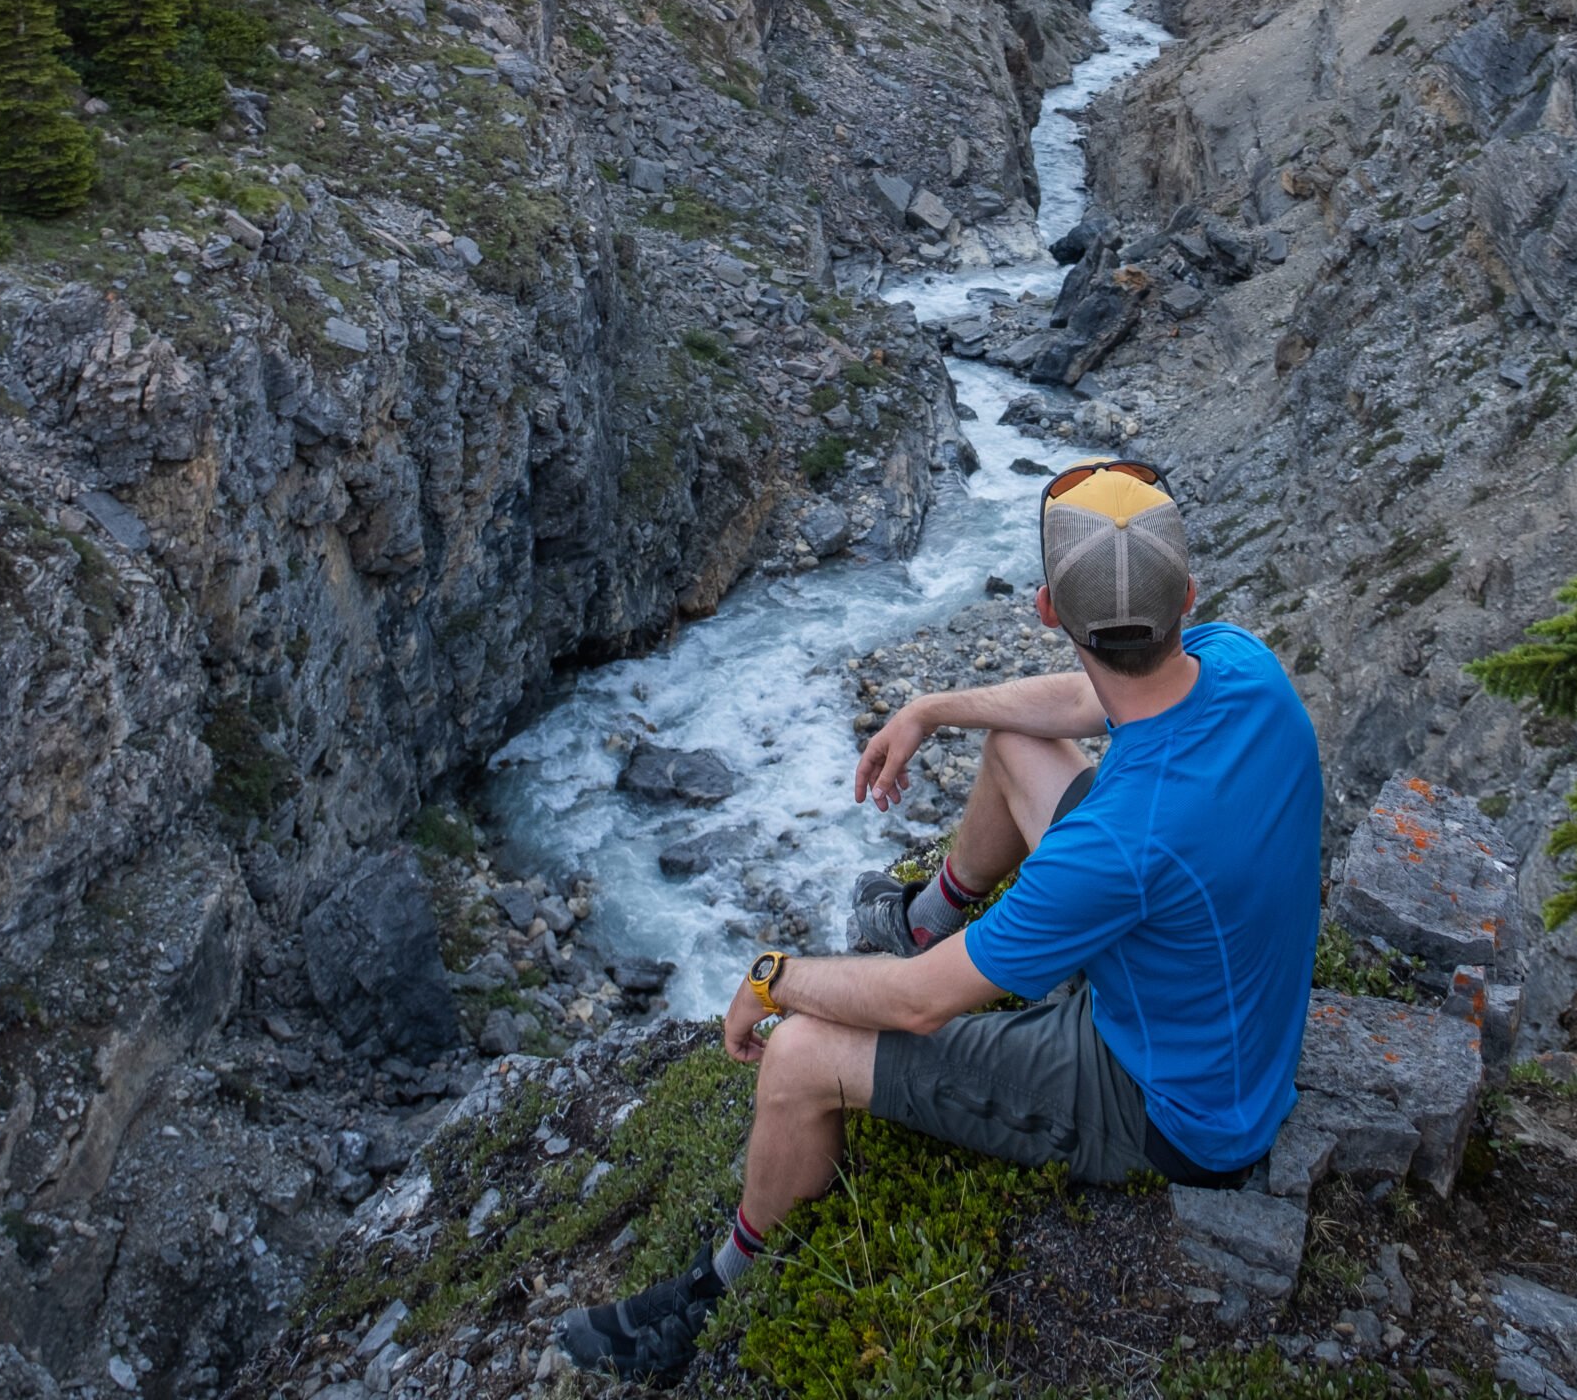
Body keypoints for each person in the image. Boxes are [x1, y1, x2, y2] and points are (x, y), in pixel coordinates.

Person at [555, 460, 1323, 1381]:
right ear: (1187, 601)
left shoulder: (1117, 845)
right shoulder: (1244, 666)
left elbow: (922, 1005)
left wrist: (770, 976)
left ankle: (717, 1290)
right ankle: (923, 914)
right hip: (1211, 986)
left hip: (1175, 1109)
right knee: (1015, 743)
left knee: (803, 1054)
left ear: (1048, 611)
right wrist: (930, 709)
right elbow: (1086, 701)